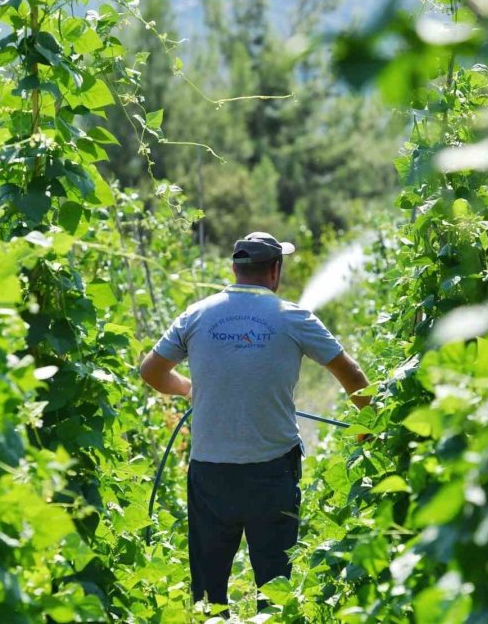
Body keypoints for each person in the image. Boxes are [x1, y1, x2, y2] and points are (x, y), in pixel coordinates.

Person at [139, 231, 371, 616]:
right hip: (272, 475)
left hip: (211, 474)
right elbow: (353, 376)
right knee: (276, 595)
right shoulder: (295, 317)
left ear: (234, 269)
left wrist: (187, 389)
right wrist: (368, 429)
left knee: (208, 597)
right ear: (275, 271)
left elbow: (151, 372)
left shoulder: (196, 315)